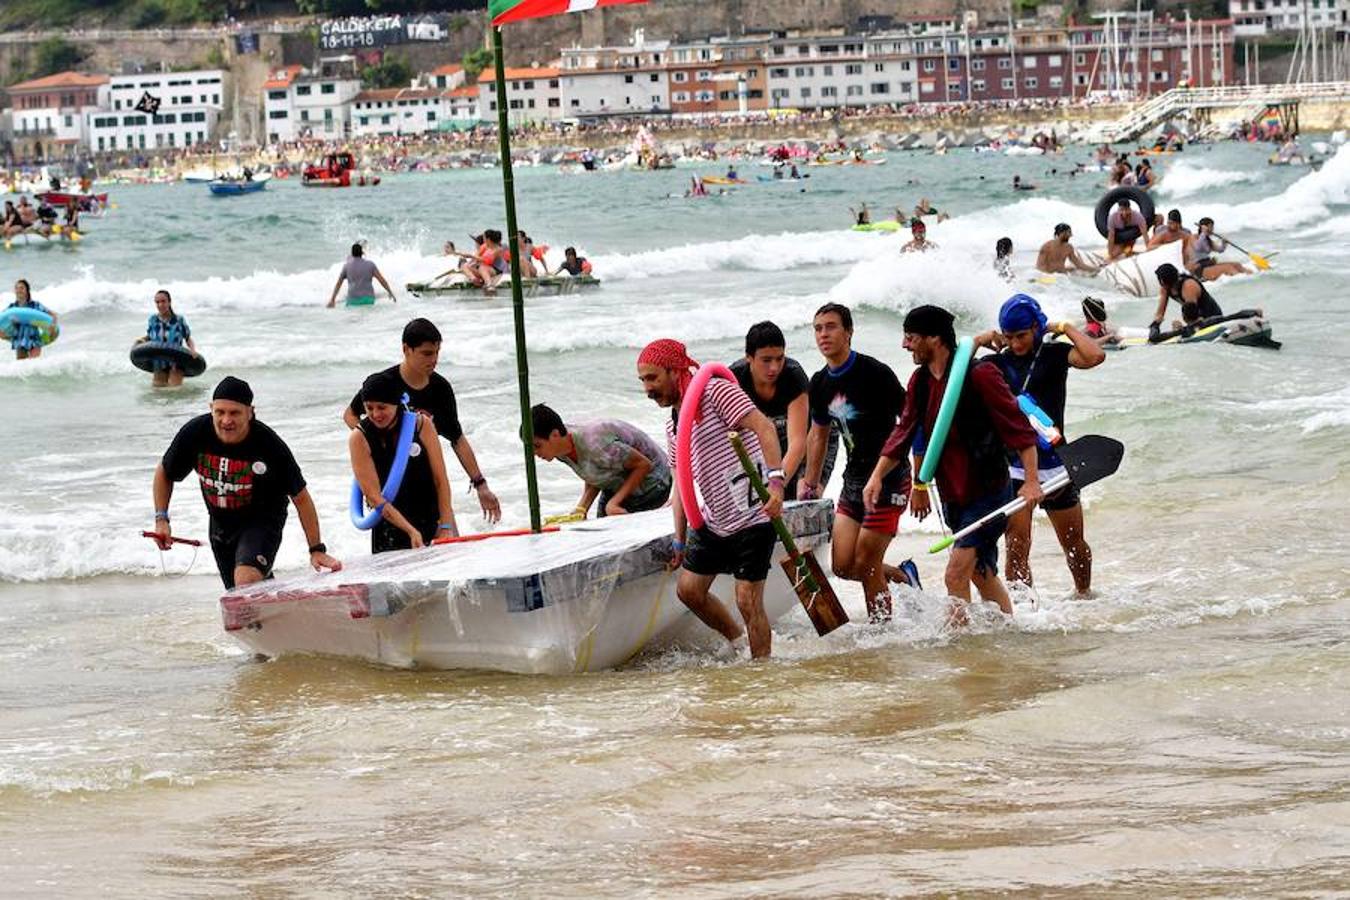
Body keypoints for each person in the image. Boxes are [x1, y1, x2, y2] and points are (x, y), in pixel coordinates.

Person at [868, 305, 1041, 621]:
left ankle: (960, 650)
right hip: (953, 494)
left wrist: (1031, 481)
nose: (905, 345)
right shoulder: (920, 382)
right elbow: (903, 432)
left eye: (911, 337)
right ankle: (1009, 631)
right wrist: (877, 476)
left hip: (989, 491)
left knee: (955, 574)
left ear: (934, 339)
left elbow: (1019, 429)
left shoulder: (980, 375)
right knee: (980, 572)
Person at [636, 338, 786, 659]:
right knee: (688, 591)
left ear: (675, 371)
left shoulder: (716, 391)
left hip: (753, 514)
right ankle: (739, 641)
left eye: (652, 378)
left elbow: (765, 427)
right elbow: (681, 485)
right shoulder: (674, 422)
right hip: (714, 521)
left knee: (747, 599)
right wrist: (679, 541)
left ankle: (762, 672)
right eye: (642, 380)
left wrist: (776, 483)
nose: (647, 389)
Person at [152, 376, 343, 589]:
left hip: (262, 521)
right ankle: (276, 614)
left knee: (245, 581)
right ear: (211, 409)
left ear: (250, 412)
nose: (226, 420)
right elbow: (164, 472)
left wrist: (316, 549)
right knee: (238, 599)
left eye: (234, 413)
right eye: (220, 412)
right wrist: (162, 519)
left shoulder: (268, 444)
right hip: (220, 525)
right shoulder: (195, 433)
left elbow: (301, 497)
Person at [976, 294, 1105, 593]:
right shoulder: (994, 363)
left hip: (1058, 464)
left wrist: (1063, 327)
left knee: (1074, 543)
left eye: (1021, 335)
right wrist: (983, 339)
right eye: (1009, 337)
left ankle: (1083, 595)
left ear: (1036, 327)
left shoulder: (1054, 355)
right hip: (1015, 468)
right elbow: (953, 376)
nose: (1016, 343)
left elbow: (1095, 356)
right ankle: (1025, 610)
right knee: (1017, 546)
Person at [799, 303, 918, 623]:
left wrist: (921, 478)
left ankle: (881, 630)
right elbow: (818, 436)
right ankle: (904, 578)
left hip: (890, 477)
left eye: (831, 326)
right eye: (818, 328)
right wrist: (809, 484)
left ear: (849, 332)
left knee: (866, 562)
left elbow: (911, 421)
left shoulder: (874, 372)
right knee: (842, 566)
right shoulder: (820, 382)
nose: (823, 334)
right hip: (853, 480)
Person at [344, 318, 501, 523]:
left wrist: (481, 485)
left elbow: (457, 439)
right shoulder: (385, 383)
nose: (434, 359)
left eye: (437, 353)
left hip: (428, 484)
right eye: (427, 353)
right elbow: (350, 414)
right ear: (406, 349)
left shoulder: (440, 388)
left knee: (446, 546)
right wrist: (370, 446)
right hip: (390, 483)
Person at [349, 370, 458, 553]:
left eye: (382, 407)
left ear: (397, 404)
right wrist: (410, 531)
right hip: (390, 524)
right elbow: (374, 497)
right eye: (369, 408)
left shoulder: (421, 425)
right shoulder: (359, 438)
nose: (375, 414)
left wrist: (446, 525)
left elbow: (441, 480)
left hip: (431, 518)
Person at [729, 320, 839, 500]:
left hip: (815, 435)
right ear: (749, 357)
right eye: (766, 360)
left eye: (780, 358)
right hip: (773, 435)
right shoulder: (734, 379)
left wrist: (776, 486)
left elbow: (798, 443)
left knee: (805, 498)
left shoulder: (792, 376)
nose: (774, 367)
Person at [530, 404, 671, 518]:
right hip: (618, 481)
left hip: (653, 483)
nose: (535, 454)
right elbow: (594, 471)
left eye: (537, 446)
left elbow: (643, 465)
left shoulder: (596, 443)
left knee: (626, 540)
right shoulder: (560, 449)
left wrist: (614, 502)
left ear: (554, 435)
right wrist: (582, 508)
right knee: (602, 534)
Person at [136, 289, 199, 387]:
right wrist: (141, 340)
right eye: (157, 302)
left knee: (174, 392)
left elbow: (188, 338)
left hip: (176, 362)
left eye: (163, 301)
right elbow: (150, 336)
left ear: (169, 302)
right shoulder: (153, 320)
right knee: (158, 393)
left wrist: (193, 350)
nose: (160, 305)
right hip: (159, 362)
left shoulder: (179, 320)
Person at [1152, 263, 1223, 333]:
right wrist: (1155, 326)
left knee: (1182, 322)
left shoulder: (1189, 286)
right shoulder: (1165, 289)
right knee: (1176, 324)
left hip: (1213, 316)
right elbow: (1160, 314)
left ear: (1163, 281)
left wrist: (1183, 329)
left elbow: (1191, 313)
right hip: (1195, 318)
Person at [326, 242, 395, 307]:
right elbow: (382, 280)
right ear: (362, 253)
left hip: (353, 301)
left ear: (352, 254)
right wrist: (390, 292)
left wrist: (332, 299)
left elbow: (338, 284)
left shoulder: (346, 266)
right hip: (368, 300)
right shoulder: (370, 265)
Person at [5, 279, 56, 360]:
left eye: (21, 288)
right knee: (21, 367)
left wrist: (51, 328)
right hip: (19, 340)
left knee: (33, 365)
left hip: (34, 339)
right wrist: (12, 324)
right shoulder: (12, 307)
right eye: (16, 288)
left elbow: (52, 315)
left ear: (27, 290)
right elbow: (3, 319)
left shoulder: (35, 305)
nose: (18, 290)